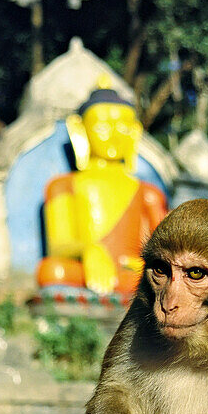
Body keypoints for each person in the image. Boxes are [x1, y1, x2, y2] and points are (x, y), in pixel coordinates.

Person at [35, 85, 166, 297]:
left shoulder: (147, 193)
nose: (114, 135)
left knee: (154, 279)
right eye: (103, 127)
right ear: (80, 130)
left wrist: (140, 264)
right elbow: (58, 246)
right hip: (83, 272)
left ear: (135, 132)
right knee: (52, 271)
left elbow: (165, 252)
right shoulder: (62, 185)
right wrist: (87, 250)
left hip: (130, 273)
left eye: (123, 127)